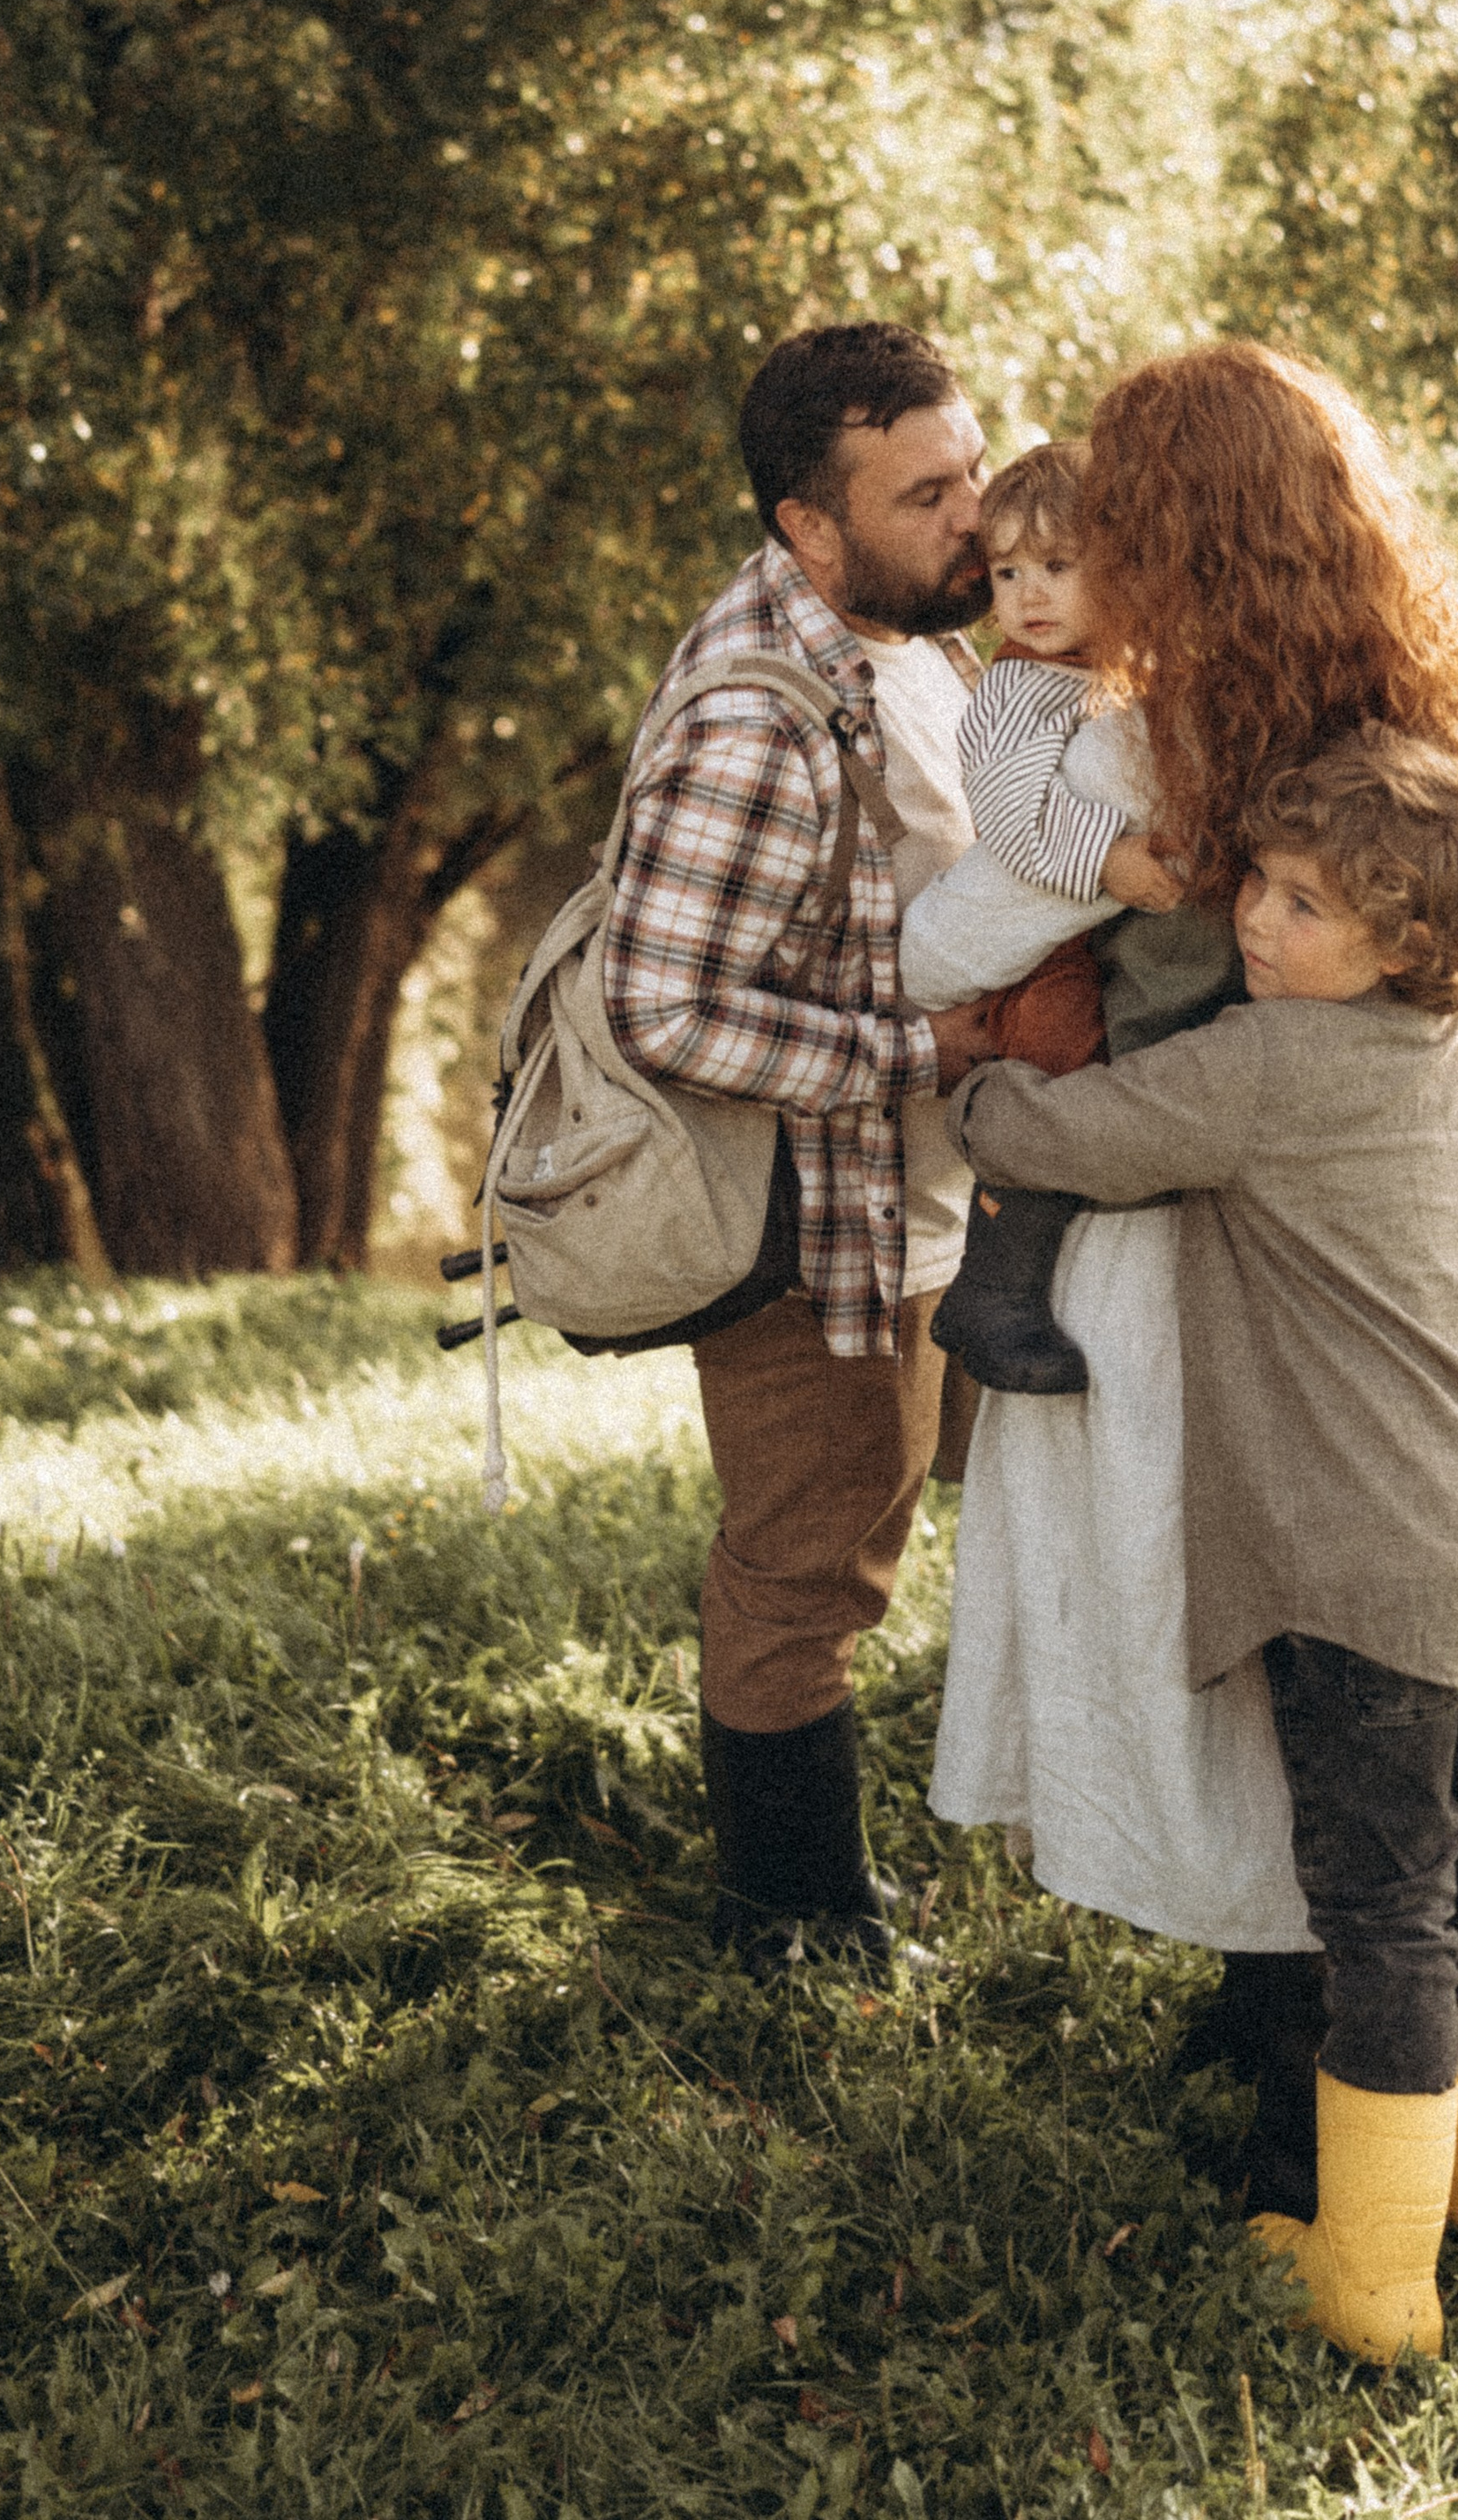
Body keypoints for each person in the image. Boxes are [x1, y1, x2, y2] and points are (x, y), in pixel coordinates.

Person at [915, 341, 1458, 2224]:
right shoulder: (1388, 718)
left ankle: (1319, 2073)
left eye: (1132, 521)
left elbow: (957, 941)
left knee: (1262, 1643)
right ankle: (1298, 2017)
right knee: (1305, 1674)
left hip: (1217, 1237)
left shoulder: (1168, 750)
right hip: (1339, 1241)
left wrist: (951, 1033)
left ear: (1191, 535)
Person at [602, 320, 995, 1973]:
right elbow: (657, 1005)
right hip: (820, 1235)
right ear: (809, 528)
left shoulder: (909, 641)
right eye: (926, 496)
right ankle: (793, 1929)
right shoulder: (758, 721)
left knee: (906, 1533)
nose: (973, 516)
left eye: (973, 470)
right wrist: (916, 1056)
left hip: (934, 1204)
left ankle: (840, 1900)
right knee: (800, 1576)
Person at [927, 438, 1188, 1399]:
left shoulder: (1118, 671)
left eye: (1058, 566)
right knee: (1057, 1049)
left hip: (1091, 929)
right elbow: (1010, 815)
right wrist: (1112, 860)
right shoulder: (1014, 688)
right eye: (1006, 574)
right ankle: (995, 1279)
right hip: (1038, 943)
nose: (1028, 595)